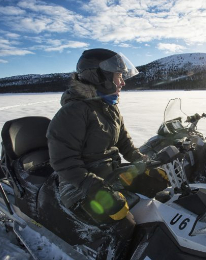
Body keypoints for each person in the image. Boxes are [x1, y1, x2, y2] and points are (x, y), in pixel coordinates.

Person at [46, 48, 165, 259]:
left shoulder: (109, 107)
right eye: (118, 76)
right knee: (123, 223)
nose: (123, 82)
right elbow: (64, 162)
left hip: (109, 175)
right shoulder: (72, 113)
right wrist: (93, 187)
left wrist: (144, 162)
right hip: (79, 187)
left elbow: (124, 143)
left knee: (157, 184)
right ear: (99, 77)